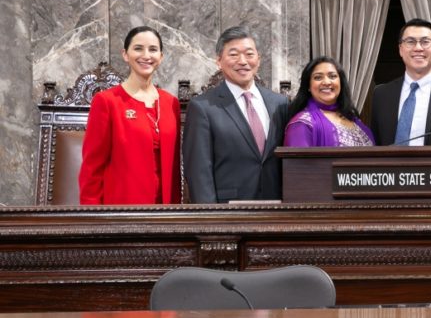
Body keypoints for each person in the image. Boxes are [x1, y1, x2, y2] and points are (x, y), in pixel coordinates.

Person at [183, 26, 290, 203]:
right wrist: (211, 222)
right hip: (229, 213)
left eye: (249, 54)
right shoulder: (203, 107)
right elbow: (198, 171)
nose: (243, 61)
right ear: (219, 61)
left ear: (259, 59)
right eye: (233, 55)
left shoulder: (279, 103)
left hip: (276, 210)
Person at [79, 26, 181, 205]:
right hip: (122, 213)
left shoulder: (171, 103)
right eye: (138, 48)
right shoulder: (107, 101)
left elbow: (175, 168)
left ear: (161, 57)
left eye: (153, 49)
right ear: (125, 54)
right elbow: (91, 167)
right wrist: (91, 219)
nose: (146, 55)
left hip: (166, 213)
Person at [284, 56, 375, 147]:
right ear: (308, 86)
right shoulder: (302, 124)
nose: (327, 82)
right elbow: (298, 161)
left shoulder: (353, 119)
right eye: (318, 78)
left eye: (332, 76)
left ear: (341, 83)